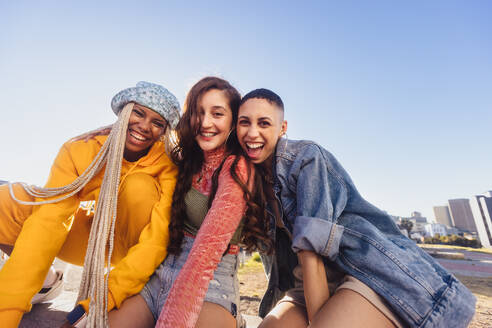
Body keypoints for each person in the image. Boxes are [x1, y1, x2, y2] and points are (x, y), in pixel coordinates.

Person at [235, 88, 476, 328]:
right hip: (305, 285)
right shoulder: (246, 180)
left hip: (360, 273)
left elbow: (312, 256)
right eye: (244, 122)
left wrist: (317, 322)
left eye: (264, 123)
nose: (252, 132)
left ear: (283, 128)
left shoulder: (305, 158)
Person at [0, 81, 180, 327]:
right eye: (138, 112)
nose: (144, 126)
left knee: (140, 187)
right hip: (79, 237)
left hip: (125, 247)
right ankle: (46, 282)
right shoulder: (80, 148)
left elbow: (156, 241)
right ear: (124, 111)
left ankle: (129, 291)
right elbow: (49, 221)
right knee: (7, 200)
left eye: (157, 122)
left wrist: (97, 302)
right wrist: (6, 312)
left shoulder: (167, 166)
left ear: (164, 131)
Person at [106, 76, 272, 328]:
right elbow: (140, 145)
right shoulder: (184, 159)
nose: (205, 123)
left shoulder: (237, 168)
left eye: (217, 114)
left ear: (233, 121)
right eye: (198, 112)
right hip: (159, 274)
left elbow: (205, 256)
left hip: (211, 283)